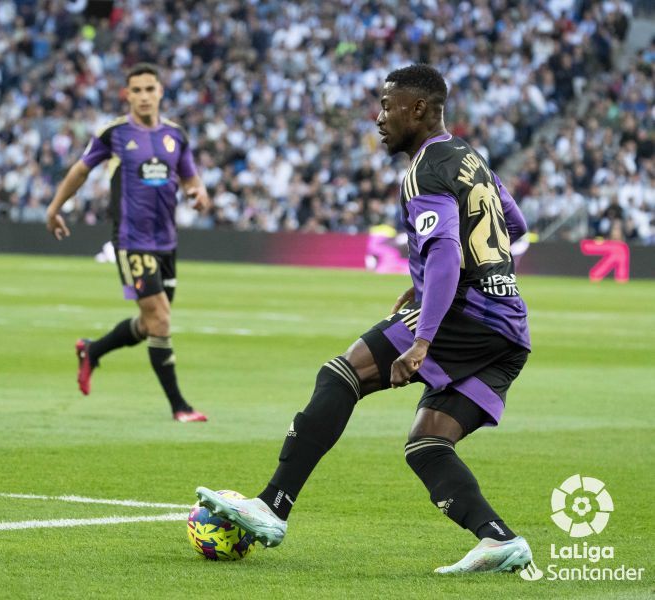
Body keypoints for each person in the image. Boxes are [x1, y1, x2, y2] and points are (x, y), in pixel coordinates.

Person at [196, 64, 535, 574]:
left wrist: (423, 339)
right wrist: (423, 284)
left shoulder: (425, 169)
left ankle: (271, 504)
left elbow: (444, 250)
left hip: (467, 315)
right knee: (427, 444)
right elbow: (515, 222)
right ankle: (497, 538)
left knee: (342, 374)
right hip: (508, 325)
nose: (378, 117)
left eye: (386, 105)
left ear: (418, 108)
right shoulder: (469, 158)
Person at [45, 63, 212, 423]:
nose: (144, 96)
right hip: (132, 241)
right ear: (127, 95)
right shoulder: (114, 134)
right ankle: (179, 407)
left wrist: (199, 194)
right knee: (161, 320)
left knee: (149, 323)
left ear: (160, 92)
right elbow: (80, 169)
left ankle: (92, 350)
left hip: (167, 241)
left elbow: (191, 178)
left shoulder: (176, 135)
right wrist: (56, 207)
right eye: (136, 90)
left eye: (150, 89)